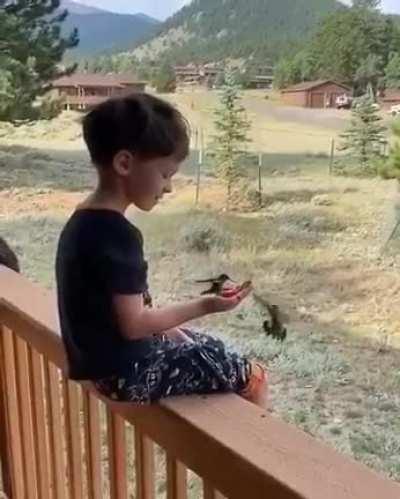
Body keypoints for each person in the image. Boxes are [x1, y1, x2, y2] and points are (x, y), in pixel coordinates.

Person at [55, 93, 267, 407]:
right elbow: (134, 325)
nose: (168, 187)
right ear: (124, 163)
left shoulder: (81, 224)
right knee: (251, 374)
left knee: (203, 344)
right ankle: (257, 446)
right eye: (165, 174)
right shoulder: (118, 235)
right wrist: (206, 305)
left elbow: (113, 315)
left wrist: (174, 332)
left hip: (102, 368)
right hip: (129, 373)